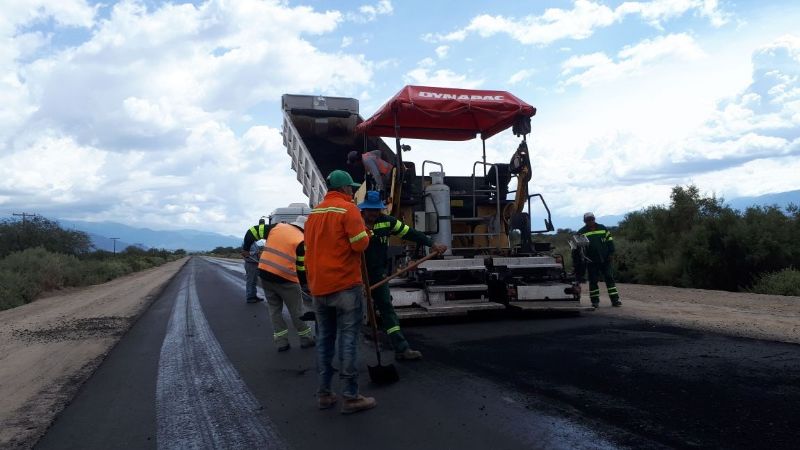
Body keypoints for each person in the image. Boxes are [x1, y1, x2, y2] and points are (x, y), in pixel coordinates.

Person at [304, 169, 375, 414]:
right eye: (352, 189)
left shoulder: (314, 213)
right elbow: (359, 244)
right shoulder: (348, 210)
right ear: (345, 189)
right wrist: (367, 234)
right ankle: (351, 396)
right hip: (344, 286)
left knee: (324, 340)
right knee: (348, 340)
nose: (353, 192)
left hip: (319, 287)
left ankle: (324, 394)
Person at [358, 190, 447, 361]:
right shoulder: (354, 222)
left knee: (386, 308)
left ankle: (402, 348)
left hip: (378, 274)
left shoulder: (386, 222)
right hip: (355, 273)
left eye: (376, 210)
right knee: (350, 313)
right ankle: (346, 356)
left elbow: (410, 233)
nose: (373, 214)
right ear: (364, 209)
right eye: (370, 210)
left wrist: (432, 244)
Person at [257, 215, 315, 352]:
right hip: (286, 279)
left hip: (265, 274)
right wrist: (305, 285)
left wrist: (246, 248)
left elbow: (252, 231)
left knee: (274, 310)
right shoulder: (301, 239)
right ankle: (306, 339)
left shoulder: (277, 227)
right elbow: (301, 268)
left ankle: (281, 343)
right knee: (297, 310)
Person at [577, 212, 621, 308]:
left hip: (605, 259)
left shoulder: (603, 228)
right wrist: (584, 259)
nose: (590, 221)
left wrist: (611, 253)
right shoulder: (581, 232)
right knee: (593, 281)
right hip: (591, 261)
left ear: (594, 219)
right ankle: (595, 302)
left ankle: (615, 300)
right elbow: (580, 249)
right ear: (585, 221)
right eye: (588, 220)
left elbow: (610, 241)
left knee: (609, 278)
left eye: (592, 219)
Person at [241, 218, 267, 304]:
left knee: (254, 281)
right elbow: (247, 253)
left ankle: (254, 295)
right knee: (250, 281)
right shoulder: (248, 242)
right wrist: (257, 252)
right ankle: (249, 297)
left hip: (255, 264)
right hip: (250, 264)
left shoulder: (254, 242)